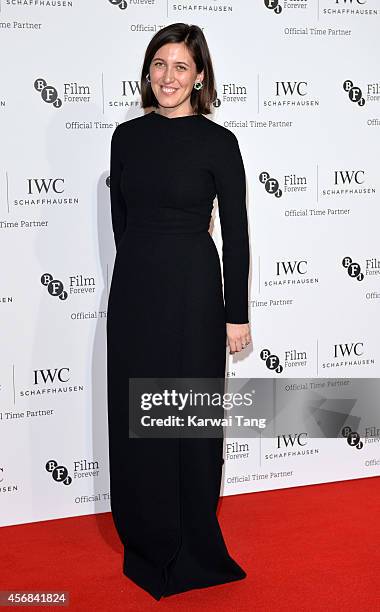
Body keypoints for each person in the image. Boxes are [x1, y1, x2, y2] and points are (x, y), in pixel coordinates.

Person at [106, 22, 251, 601]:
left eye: (181, 67)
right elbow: (121, 222)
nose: (168, 77)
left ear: (200, 78)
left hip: (195, 291)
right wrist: (135, 279)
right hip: (137, 291)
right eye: (159, 64)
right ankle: (146, 538)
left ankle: (193, 542)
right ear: (148, 71)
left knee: (188, 418)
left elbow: (236, 236)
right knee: (138, 416)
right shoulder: (124, 137)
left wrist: (234, 314)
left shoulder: (220, 143)